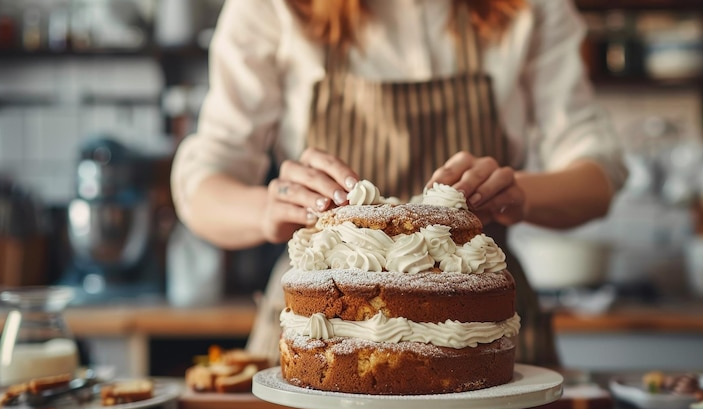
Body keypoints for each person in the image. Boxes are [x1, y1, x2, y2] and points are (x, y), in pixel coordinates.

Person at [170, 0, 628, 368]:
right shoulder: (277, 8)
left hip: (475, 333)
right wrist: (268, 207)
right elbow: (202, 184)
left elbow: (598, 175)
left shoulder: (528, 9)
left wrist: (518, 193)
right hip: (325, 330)